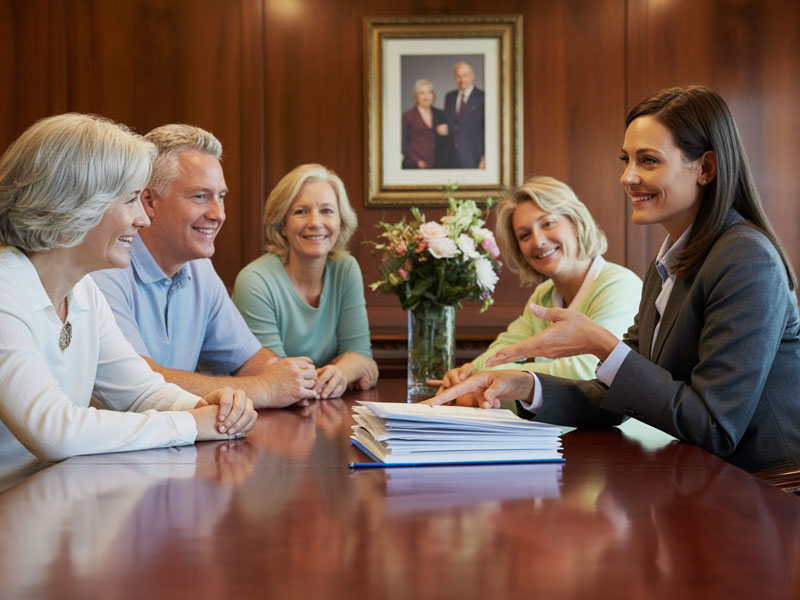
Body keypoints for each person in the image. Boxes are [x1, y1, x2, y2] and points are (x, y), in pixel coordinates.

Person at [429, 86, 800, 472]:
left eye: (649, 161)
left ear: (705, 168)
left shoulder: (746, 258)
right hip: (701, 480)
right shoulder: (670, 261)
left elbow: (714, 426)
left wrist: (601, 344)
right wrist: (525, 384)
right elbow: (616, 395)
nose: (628, 177)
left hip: (764, 490)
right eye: (626, 160)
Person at [0, 113, 256, 488]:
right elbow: (53, 431)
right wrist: (188, 423)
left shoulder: (83, 290)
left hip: (48, 506)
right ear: (77, 203)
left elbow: (141, 392)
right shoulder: (6, 288)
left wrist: (207, 409)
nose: (143, 219)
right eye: (131, 200)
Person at [92, 124, 317, 409]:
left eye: (221, 196)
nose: (218, 214)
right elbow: (139, 383)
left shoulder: (200, 268)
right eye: (200, 197)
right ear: (149, 200)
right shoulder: (104, 267)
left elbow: (248, 359)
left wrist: (289, 375)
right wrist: (267, 388)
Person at [436, 176, 642, 391]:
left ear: (575, 221)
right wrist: (468, 371)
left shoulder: (619, 286)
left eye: (548, 223)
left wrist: (495, 376)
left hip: (620, 424)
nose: (538, 241)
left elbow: (592, 369)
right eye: (525, 235)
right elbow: (507, 346)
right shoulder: (543, 295)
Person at [232, 164, 378, 398]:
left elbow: (362, 357)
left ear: (341, 222)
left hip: (323, 411)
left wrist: (340, 372)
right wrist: (347, 369)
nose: (315, 222)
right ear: (282, 225)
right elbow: (277, 378)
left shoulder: (345, 270)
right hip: (262, 416)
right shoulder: (255, 281)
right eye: (301, 211)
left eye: (327, 211)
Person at [439, 61, 485, 169]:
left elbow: (488, 129)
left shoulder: (483, 97)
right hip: (450, 158)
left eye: (465, 75)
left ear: (472, 76)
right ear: (455, 78)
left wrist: (486, 157)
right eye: (458, 76)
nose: (462, 79)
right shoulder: (449, 97)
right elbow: (449, 121)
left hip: (474, 157)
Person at [401, 79, 448, 169]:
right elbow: (403, 143)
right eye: (422, 93)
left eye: (429, 93)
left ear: (433, 95)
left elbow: (447, 143)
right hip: (413, 165)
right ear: (416, 96)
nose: (426, 97)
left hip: (437, 166)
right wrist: (417, 161)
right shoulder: (408, 116)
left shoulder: (440, 114)